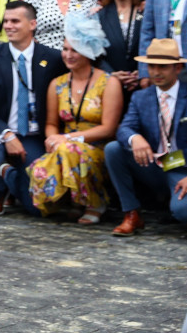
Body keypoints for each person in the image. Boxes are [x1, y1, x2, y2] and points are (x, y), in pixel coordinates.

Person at [0, 1, 66, 216]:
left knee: (37, 210)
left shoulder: (52, 58)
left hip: (33, 134)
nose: (8, 26)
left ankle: (11, 178)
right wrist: (6, 134)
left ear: (32, 24)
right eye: (6, 21)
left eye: (15, 21)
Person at [106, 38, 187, 236]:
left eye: (163, 67)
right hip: (155, 163)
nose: (156, 72)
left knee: (186, 212)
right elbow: (125, 128)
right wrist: (134, 137)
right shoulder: (140, 97)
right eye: (152, 66)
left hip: (185, 167)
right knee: (114, 149)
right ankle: (131, 213)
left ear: (178, 68)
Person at [27, 13, 124, 222]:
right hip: (65, 147)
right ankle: (75, 199)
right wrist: (53, 139)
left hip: (98, 145)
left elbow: (109, 128)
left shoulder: (109, 83)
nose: (68, 55)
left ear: (88, 52)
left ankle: (95, 202)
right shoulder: (57, 84)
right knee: (57, 155)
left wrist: (69, 139)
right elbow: (52, 123)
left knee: (70, 149)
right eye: (65, 49)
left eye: (75, 50)